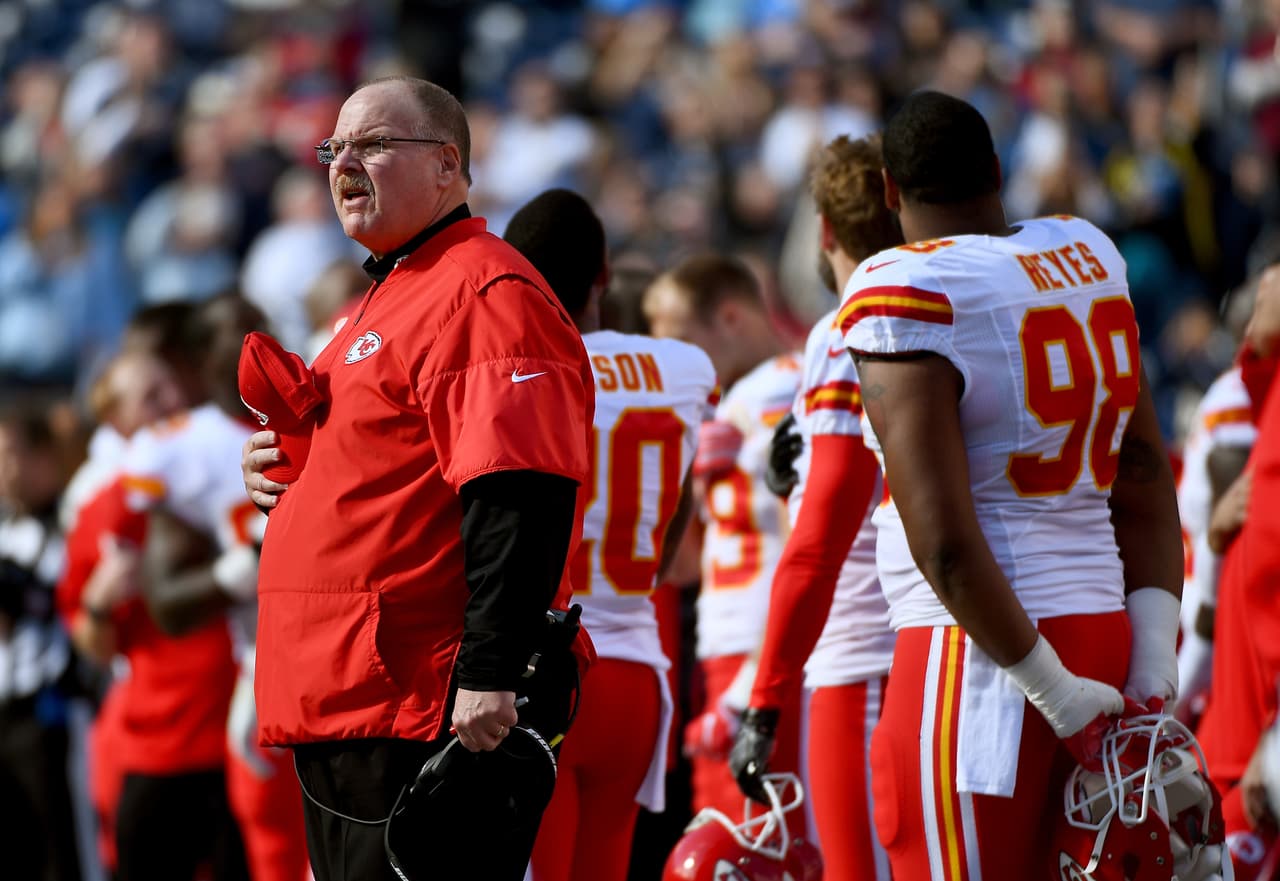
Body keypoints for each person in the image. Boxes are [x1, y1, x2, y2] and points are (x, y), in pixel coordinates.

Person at [239, 76, 595, 881]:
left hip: (415, 698)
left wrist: (490, 671)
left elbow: (520, 489)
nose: (343, 163)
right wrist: (277, 469)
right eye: (335, 147)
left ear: (447, 165)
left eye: (372, 143)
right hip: (345, 695)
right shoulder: (388, 295)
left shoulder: (480, 290)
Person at [841, 91, 1185, 879]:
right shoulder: (1087, 254)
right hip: (1104, 629)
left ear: (890, 192)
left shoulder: (906, 286)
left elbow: (947, 545)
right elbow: (1140, 473)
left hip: (982, 657)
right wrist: (1152, 661)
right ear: (997, 171)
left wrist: (1052, 690)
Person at [503, 189, 716, 881]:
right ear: (602, 274)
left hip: (542, 674)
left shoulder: (518, 368)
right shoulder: (685, 369)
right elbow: (667, 536)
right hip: (636, 669)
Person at [728, 133, 903, 881]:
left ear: (824, 230)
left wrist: (764, 699)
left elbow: (821, 536)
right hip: (944, 636)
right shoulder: (949, 295)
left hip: (861, 643)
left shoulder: (847, 323)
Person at [120, 293, 310, 881]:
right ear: (200, 356)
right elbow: (169, 604)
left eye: (263, 326)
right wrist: (238, 570)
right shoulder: (176, 448)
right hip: (264, 675)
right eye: (238, 332)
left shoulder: (320, 406)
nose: (257, 342)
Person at [643, 254, 804, 821]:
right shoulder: (742, 398)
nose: (682, 366)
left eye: (686, 343)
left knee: (749, 845)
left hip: (763, 644)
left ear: (731, 317)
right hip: (734, 640)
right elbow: (686, 565)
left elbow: (806, 540)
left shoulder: (776, 387)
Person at [0, 403, 82, 881]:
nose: (5, 471)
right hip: (5, 711)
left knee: (59, 846)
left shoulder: (66, 522)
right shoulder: (7, 529)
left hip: (49, 714)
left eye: (12, 455)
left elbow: (52, 597)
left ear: (43, 459)